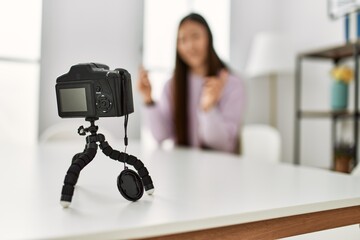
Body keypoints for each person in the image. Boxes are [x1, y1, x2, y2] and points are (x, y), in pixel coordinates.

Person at [137, 13, 244, 154]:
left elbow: (222, 145)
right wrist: (148, 99)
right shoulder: (172, 85)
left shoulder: (231, 83)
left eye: (196, 36)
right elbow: (161, 136)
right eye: (182, 40)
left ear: (209, 39)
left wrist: (208, 109)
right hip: (181, 166)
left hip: (219, 168)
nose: (190, 46)